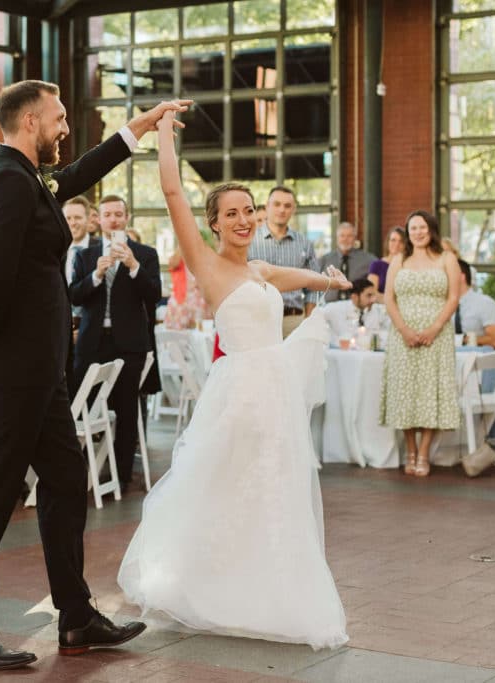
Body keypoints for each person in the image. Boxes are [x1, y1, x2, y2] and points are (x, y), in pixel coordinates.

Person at [0, 80, 187, 669]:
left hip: (42, 368)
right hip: (20, 366)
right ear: (29, 122)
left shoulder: (27, 176)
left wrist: (143, 124)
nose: (64, 127)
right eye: (57, 118)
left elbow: (77, 171)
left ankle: (75, 618)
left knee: (65, 480)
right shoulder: (4, 179)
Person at [118, 108, 350, 649]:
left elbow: (291, 275)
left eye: (250, 210)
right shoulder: (207, 264)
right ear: (215, 222)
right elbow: (175, 195)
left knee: (273, 491)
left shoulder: (258, 269)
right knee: (230, 488)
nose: (245, 219)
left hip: (276, 392)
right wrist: (162, 137)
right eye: (233, 213)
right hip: (241, 394)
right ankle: (215, 585)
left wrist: (326, 281)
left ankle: (268, 585)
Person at [69, 194, 161, 490]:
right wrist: (96, 274)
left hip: (129, 344)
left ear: (127, 217)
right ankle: (76, 474)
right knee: (81, 406)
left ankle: (120, 476)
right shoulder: (85, 255)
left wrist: (134, 267)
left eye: (118, 214)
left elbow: (153, 295)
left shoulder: (145, 254)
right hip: (92, 342)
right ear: (100, 219)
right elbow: (74, 296)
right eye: (107, 215)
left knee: (126, 411)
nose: (113, 219)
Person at [380, 210, 461, 477]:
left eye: (423, 227)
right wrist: (403, 329)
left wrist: (434, 328)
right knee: (405, 392)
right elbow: (388, 298)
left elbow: (453, 297)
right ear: (407, 231)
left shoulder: (446, 258)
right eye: (413, 228)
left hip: (436, 337)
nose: (418, 232)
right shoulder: (398, 260)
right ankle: (410, 450)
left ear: (431, 229)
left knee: (430, 392)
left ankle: (424, 452)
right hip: (402, 336)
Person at [246, 186, 319, 337]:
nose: (282, 210)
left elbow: (315, 284)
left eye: (287, 206)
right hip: (258, 321)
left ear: (294, 209)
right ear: (267, 207)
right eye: (277, 204)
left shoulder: (304, 243)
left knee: (296, 362)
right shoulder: (248, 241)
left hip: (294, 321)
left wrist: (309, 319)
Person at [319, 222, 374, 302]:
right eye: (342, 236)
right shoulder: (324, 260)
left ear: (355, 238)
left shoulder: (369, 260)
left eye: (349, 236)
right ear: (337, 238)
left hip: (357, 307)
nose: (345, 239)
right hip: (330, 307)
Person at [455, 259, 495, 350]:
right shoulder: (440, 305)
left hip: (476, 360)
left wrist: (461, 340)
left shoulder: (485, 303)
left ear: (461, 277)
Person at [322, 277, 385, 345]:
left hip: (369, 353)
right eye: (369, 295)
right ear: (354, 297)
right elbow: (315, 316)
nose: (373, 300)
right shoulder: (336, 309)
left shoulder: (378, 310)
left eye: (374, 295)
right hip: (339, 353)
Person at [367, 226, 406, 295]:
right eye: (393, 240)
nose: (397, 244)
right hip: (381, 304)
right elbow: (371, 292)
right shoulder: (377, 265)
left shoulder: (408, 265)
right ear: (388, 242)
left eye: (401, 241)